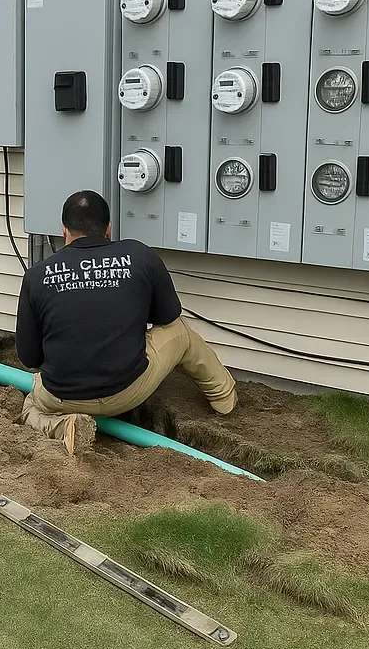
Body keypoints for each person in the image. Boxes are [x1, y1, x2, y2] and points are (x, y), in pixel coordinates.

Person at [16, 190, 237, 455]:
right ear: (109, 229)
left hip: (61, 397)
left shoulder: (37, 276)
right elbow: (167, 317)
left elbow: (29, 356)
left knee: (31, 406)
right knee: (180, 332)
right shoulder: (140, 255)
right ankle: (225, 400)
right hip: (128, 391)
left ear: (64, 230)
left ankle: (63, 427)